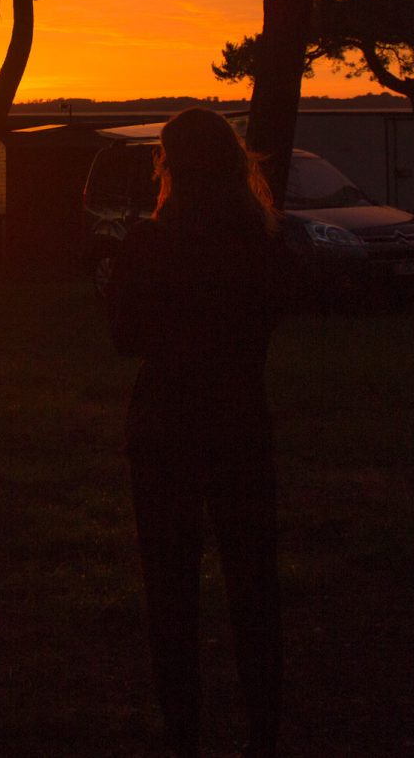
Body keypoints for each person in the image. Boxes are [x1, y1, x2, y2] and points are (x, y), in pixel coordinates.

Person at [107, 107, 307, 758]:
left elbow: (124, 337)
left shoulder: (149, 242)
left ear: (171, 164)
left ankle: (183, 735)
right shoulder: (265, 241)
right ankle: (263, 732)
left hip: (166, 432)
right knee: (254, 588)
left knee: (172, 597)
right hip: (241, 425)